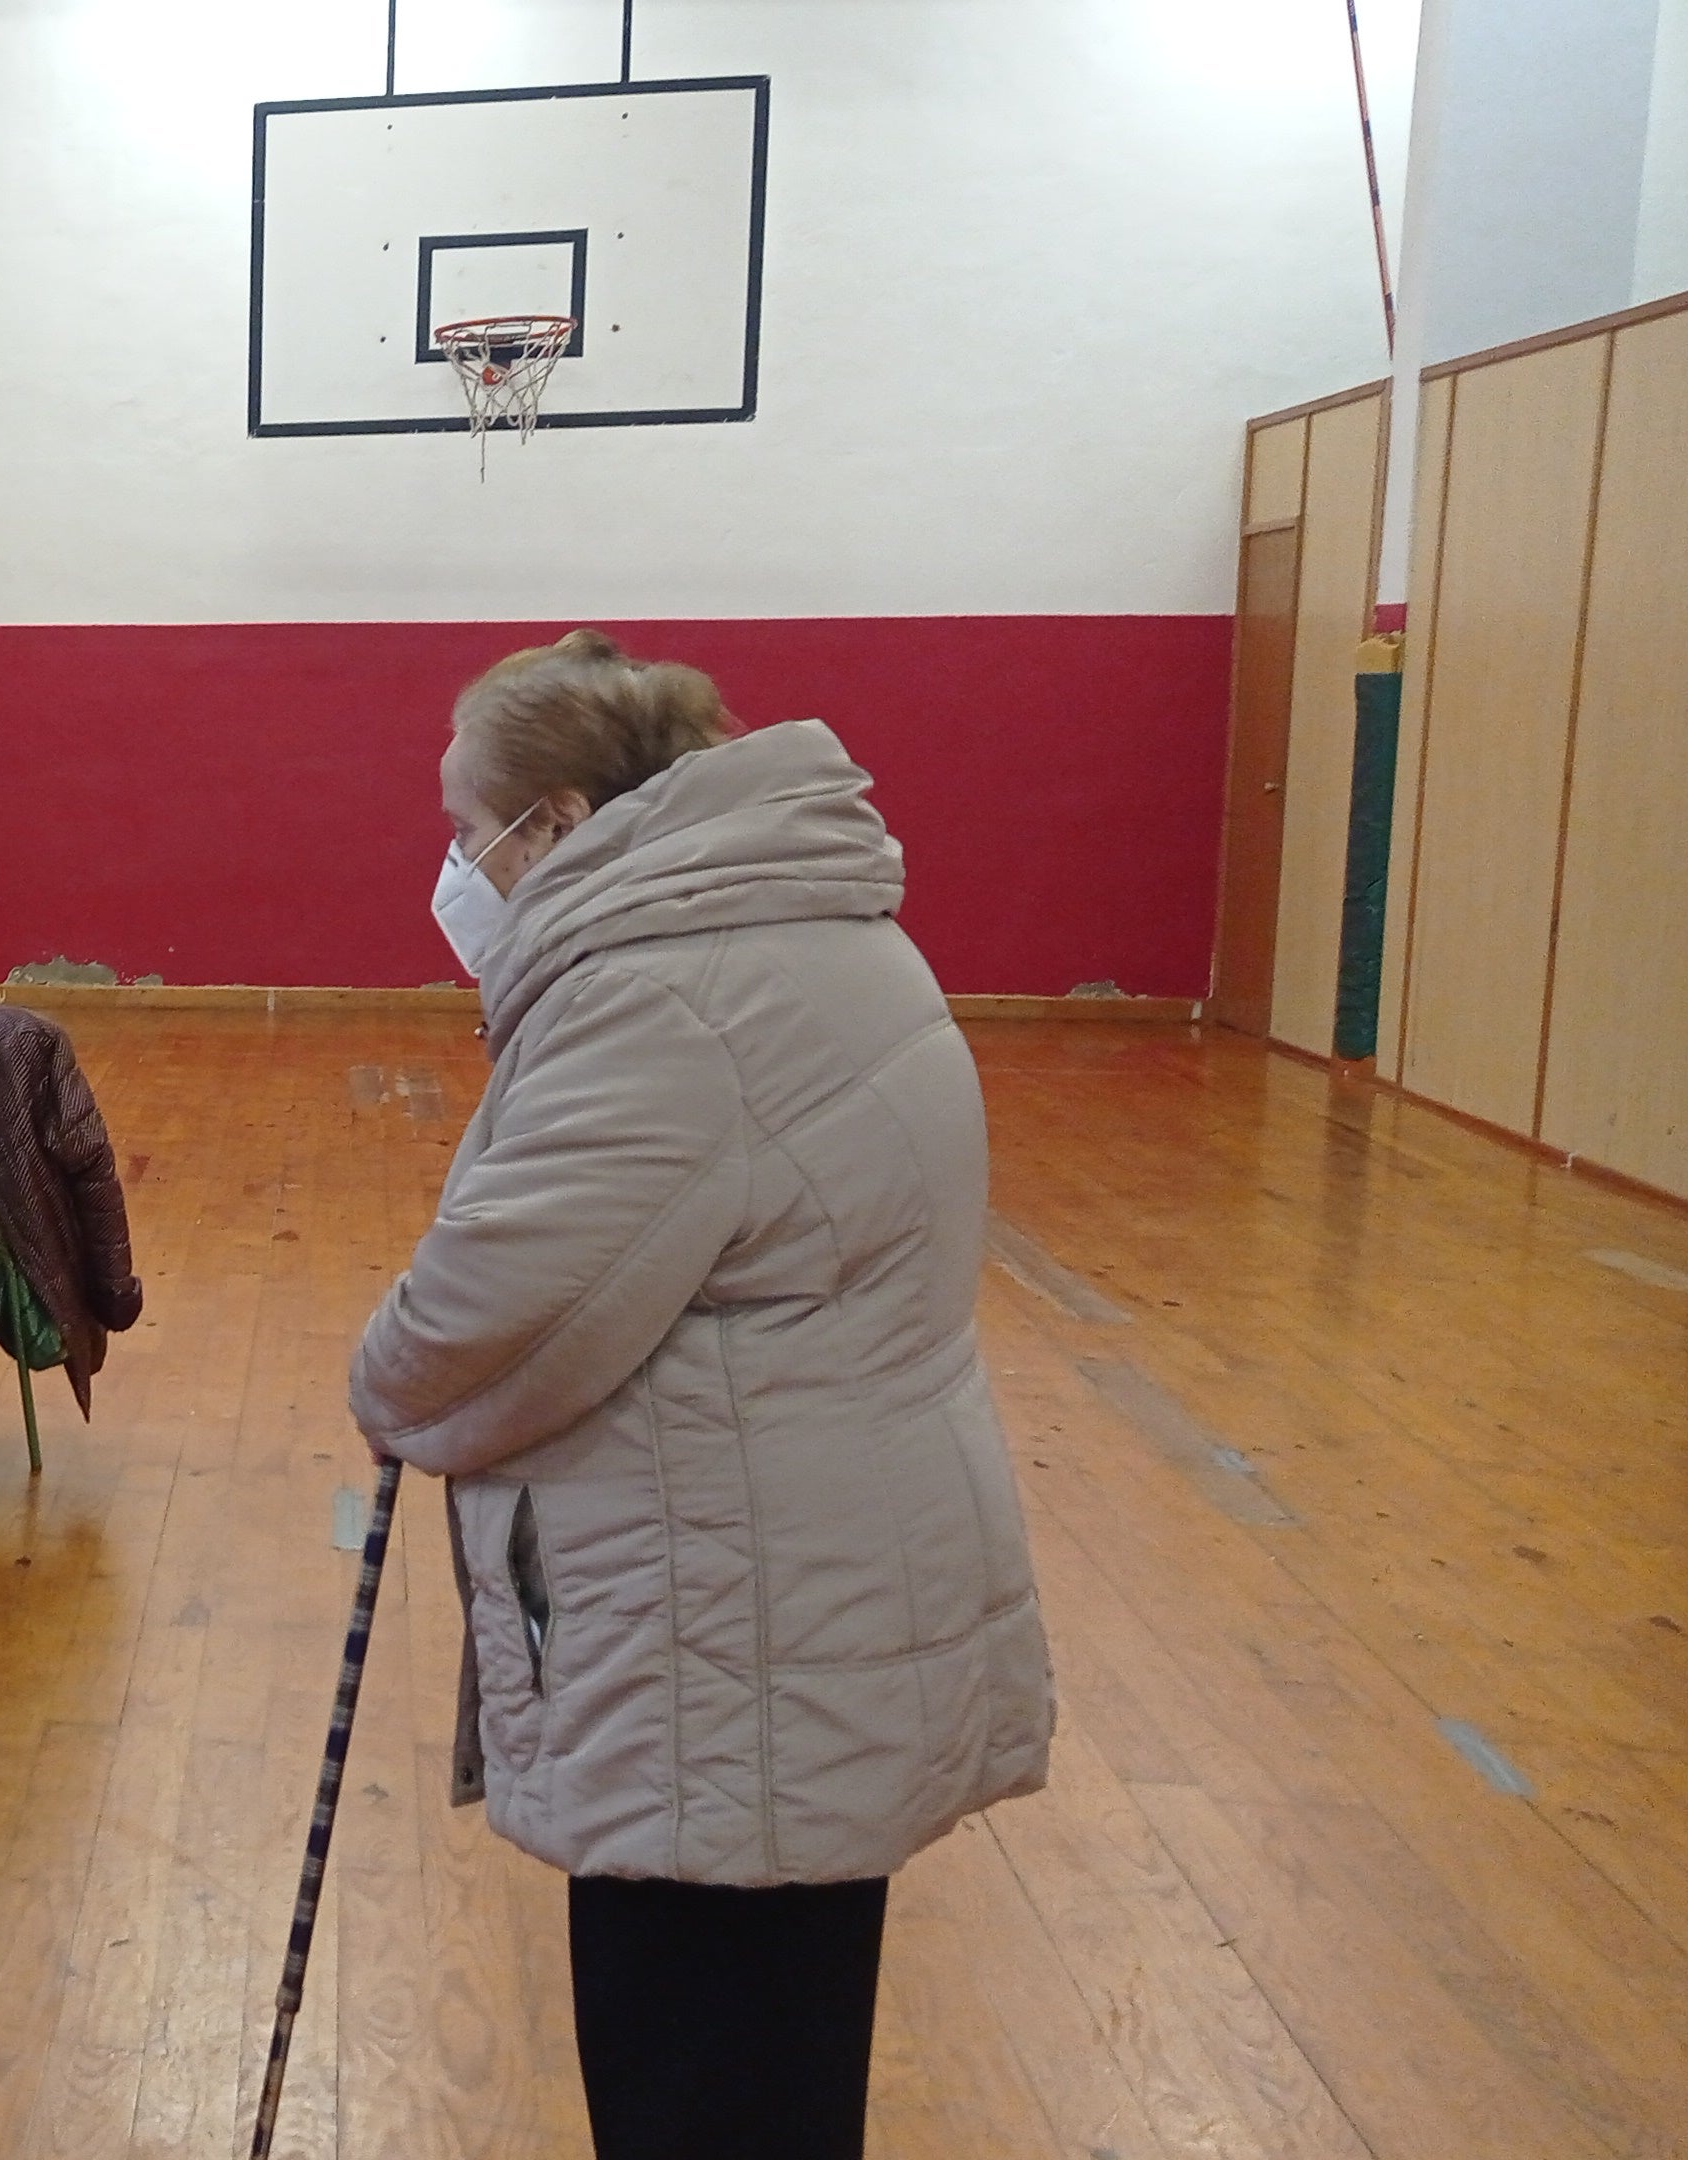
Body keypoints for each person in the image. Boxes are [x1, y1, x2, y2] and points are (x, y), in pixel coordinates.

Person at [346, 630, 1055, 2160]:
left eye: (473, 831)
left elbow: (493, 1320)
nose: (458, 867)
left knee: (700, 2083)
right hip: (805, 1588)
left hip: (728, 1628)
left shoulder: (664, 996)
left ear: (567, 824)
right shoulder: (801, 925)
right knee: (781, 2066)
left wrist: (381, 1372)